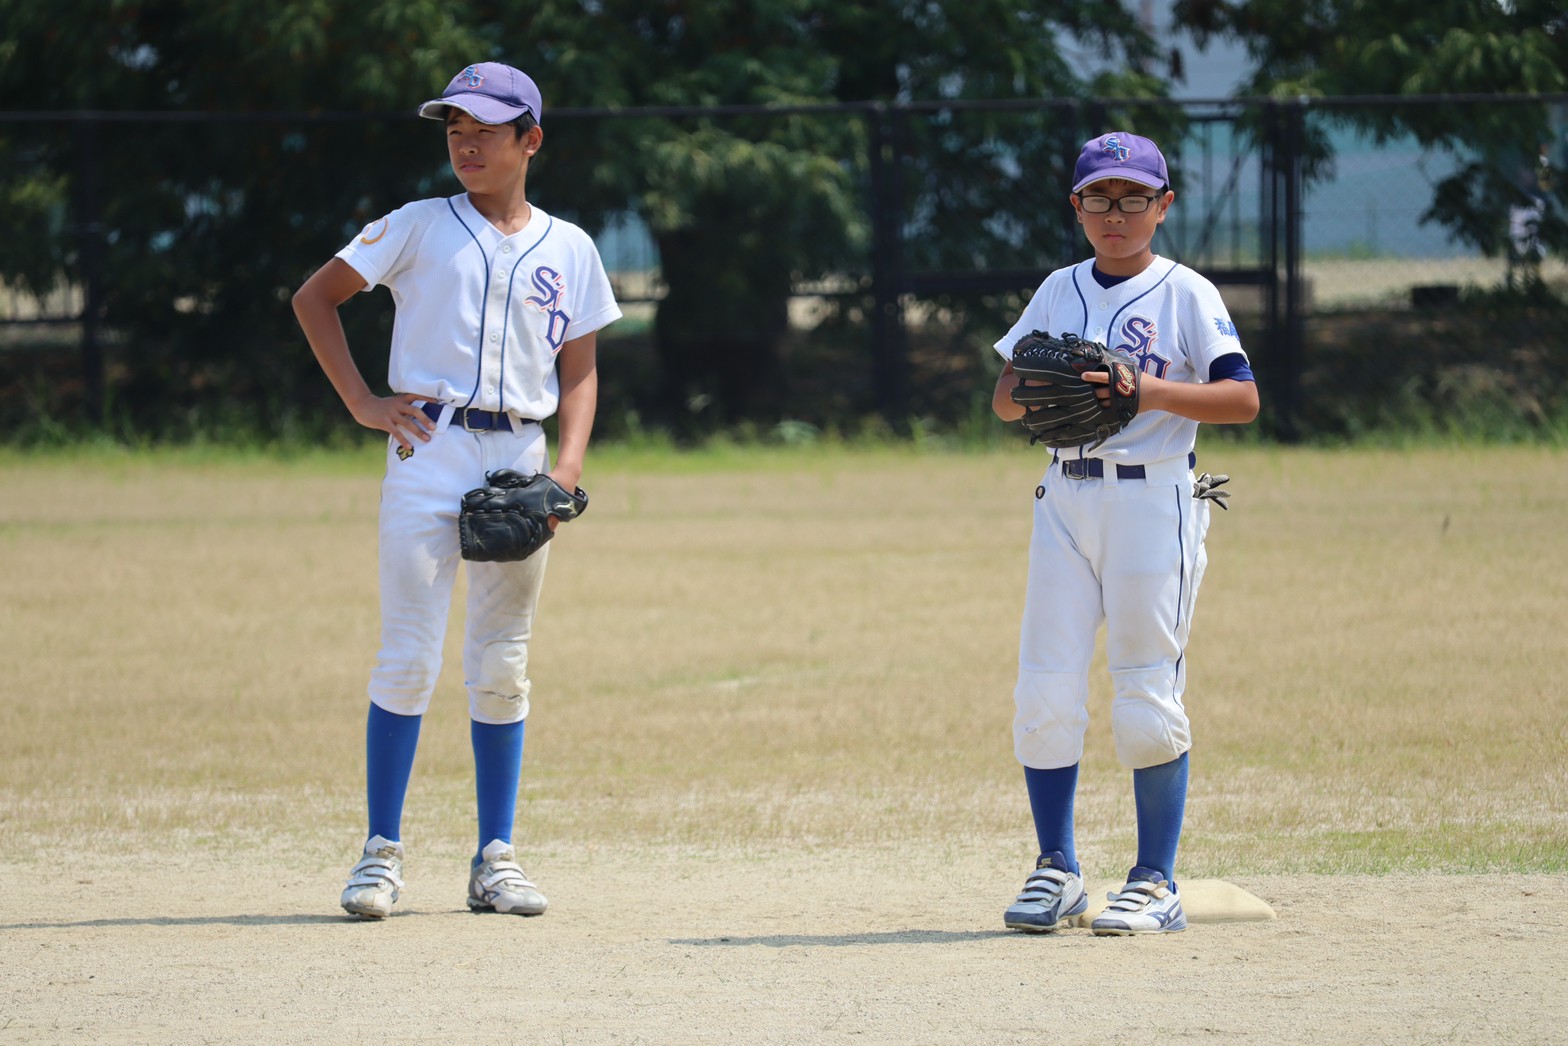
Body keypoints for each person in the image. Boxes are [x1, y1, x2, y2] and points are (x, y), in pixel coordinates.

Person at [292, 62, 621, 919]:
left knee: (503, 661)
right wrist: (364, 400)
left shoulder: (571, 247)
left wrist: (566, 473)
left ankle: (496, 858)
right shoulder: (415, 225)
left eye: (485, 128)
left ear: (530, 140)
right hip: (428, 448)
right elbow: (315, 298)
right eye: (453, 129)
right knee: (407, 656)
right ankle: (380, 854)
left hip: (521, 451)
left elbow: (580, 371)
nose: (465, 143)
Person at [989, 132, 1259, 935]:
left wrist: (1143, 391)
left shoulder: (1186, 293)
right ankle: (1058, 869)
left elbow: (1241, 401)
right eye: (1099, 198)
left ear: (1163, 205)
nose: (1117, 213)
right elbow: (1005, 399)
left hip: (1155, 503)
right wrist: (1048, 387)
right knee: (1043, 691)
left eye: (1134, 197)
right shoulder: (1058, 289)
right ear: (1077, 207)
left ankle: (1155, 881)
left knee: (1144, 693)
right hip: (1064, 500)